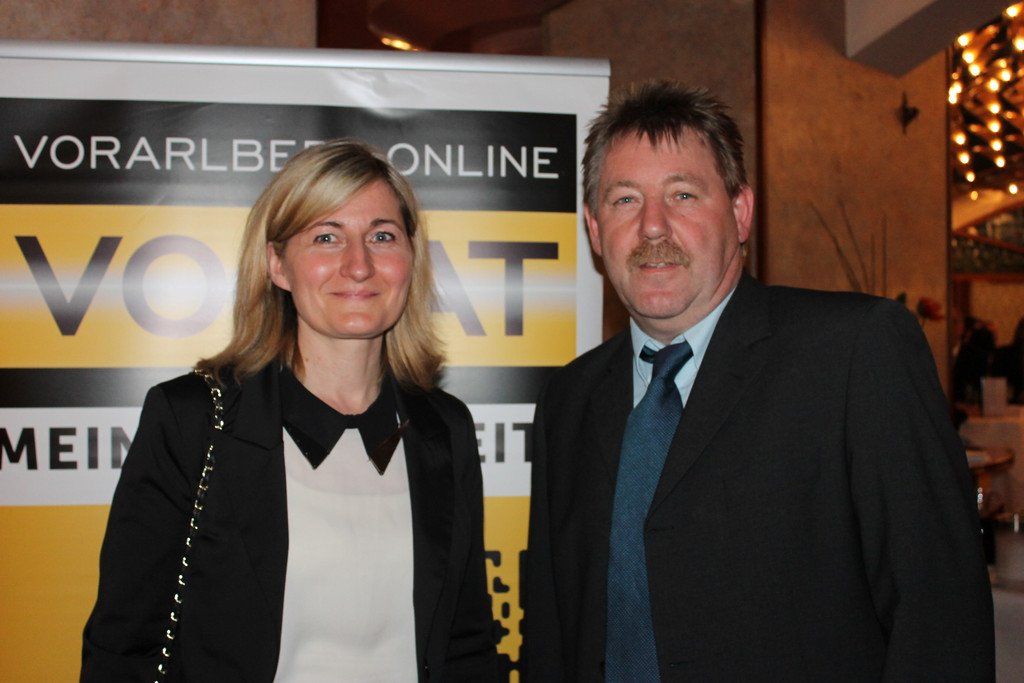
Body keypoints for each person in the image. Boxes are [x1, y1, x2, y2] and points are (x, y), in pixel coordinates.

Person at [523, 82, 993, 681]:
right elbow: (552, 635)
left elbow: (940, 617)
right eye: (624, 200)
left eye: (683, 194)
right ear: (594, 229)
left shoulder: (854, 354)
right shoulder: (568, 400)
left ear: (741, 212)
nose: (652, 227)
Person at [82, 139, 497, 682]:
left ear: (411, 260)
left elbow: (467, 643)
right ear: (277, 264)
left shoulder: (445, 427)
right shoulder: (192, 421)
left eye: (382, 236)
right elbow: (124, 647)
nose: (359, 265)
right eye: (327, 237)